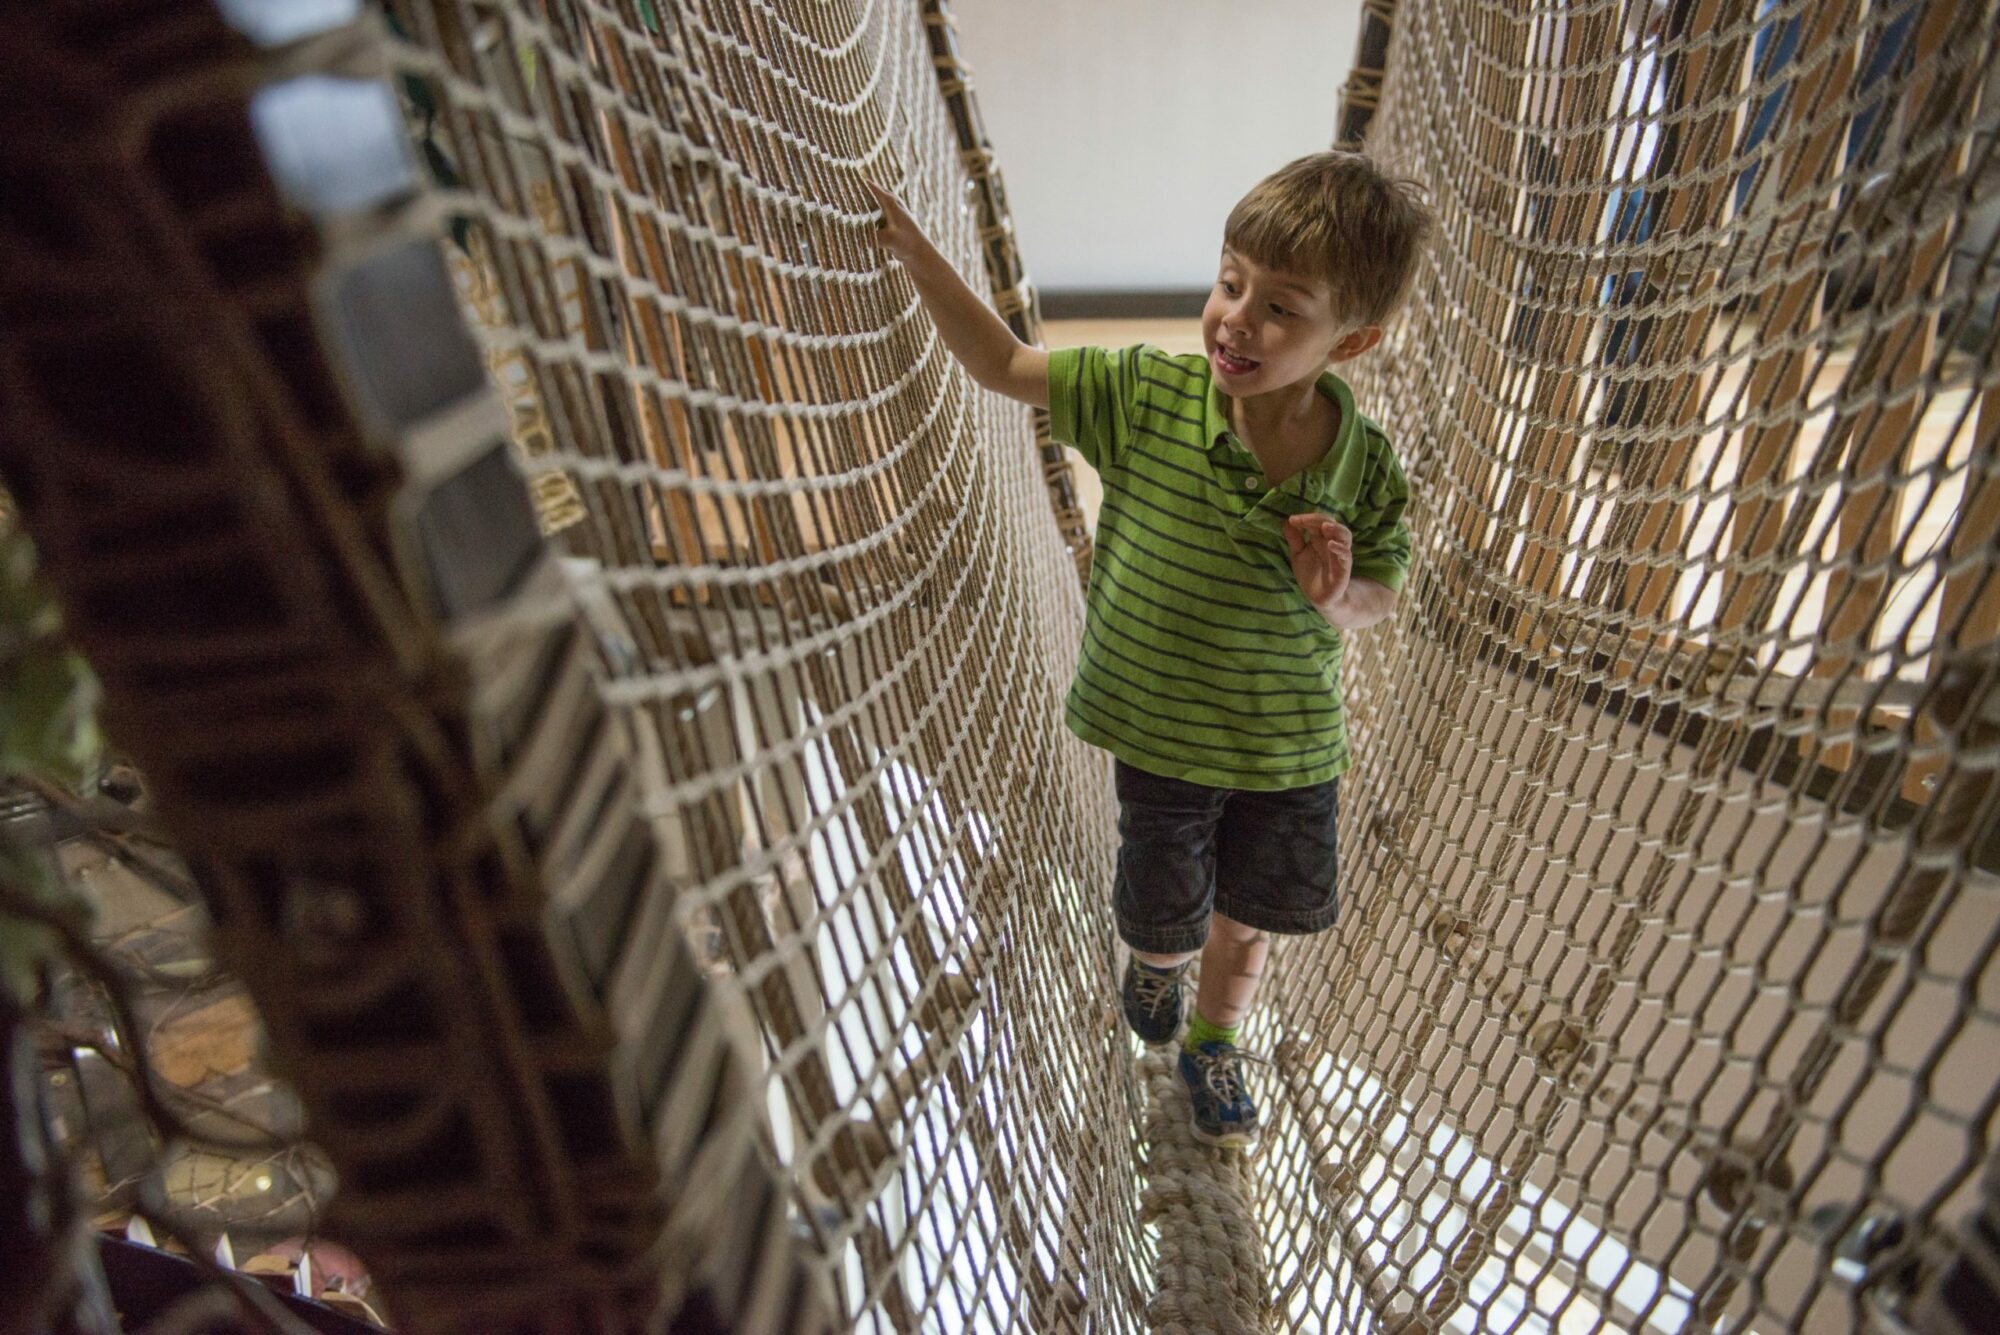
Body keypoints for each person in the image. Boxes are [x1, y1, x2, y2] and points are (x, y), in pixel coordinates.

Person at [867, 151, 1429, 1147]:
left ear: (1353, 342)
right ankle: (1154, 970)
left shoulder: (1364, 462)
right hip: (1164, 726)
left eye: (1281, 308)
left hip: (1285, 745)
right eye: (1229, 283)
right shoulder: (1145, 395)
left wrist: (1338, 594)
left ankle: (1215, 1045)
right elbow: (1003, 366)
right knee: (1160, 910)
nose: (1236, 320)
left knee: (1246, 920)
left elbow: (1380, 592)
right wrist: (921, 261)